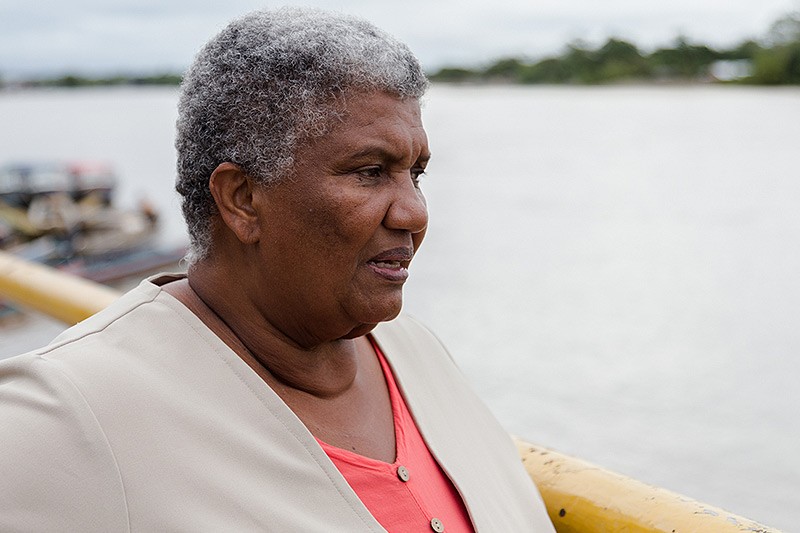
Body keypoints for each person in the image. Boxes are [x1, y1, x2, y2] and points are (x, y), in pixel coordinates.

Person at [0, 8, 554, 531]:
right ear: (241, 199)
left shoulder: (417, 355)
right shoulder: (66, 413)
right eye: (368, 172)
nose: (414, 211)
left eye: (417, 174)